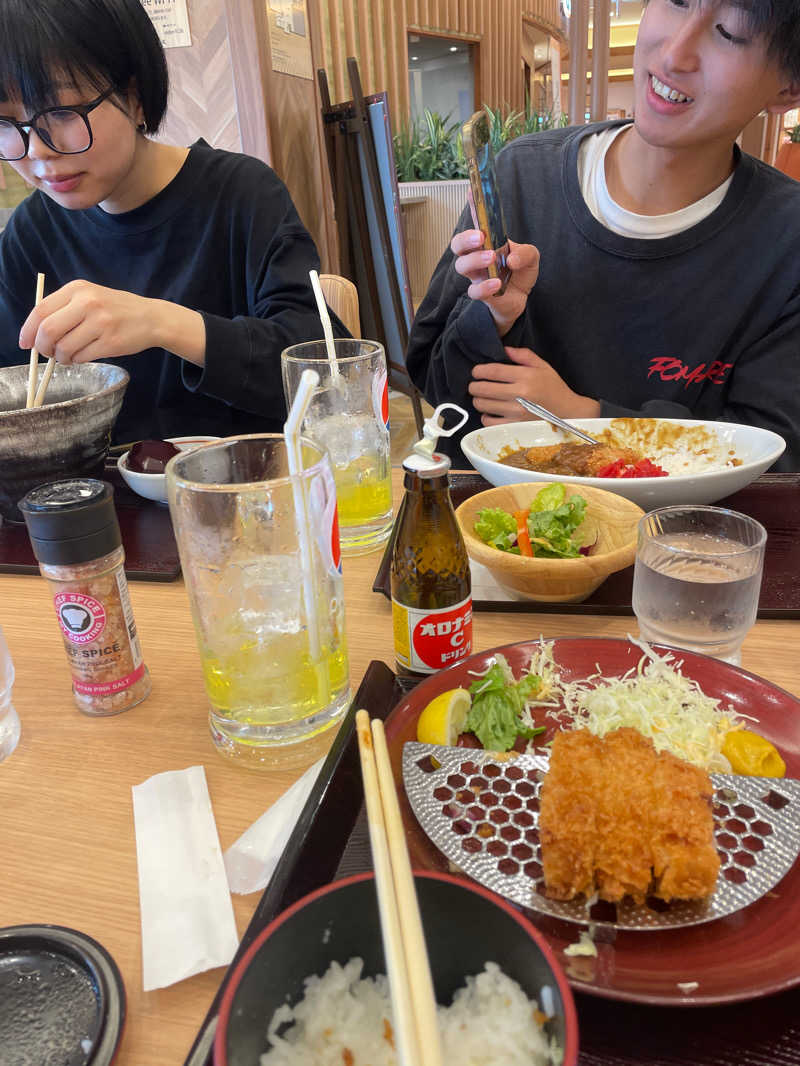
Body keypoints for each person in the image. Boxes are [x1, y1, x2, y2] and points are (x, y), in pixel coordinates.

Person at [406, 0, 800, 470]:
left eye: (729, 33)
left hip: (681, 541)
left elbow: (775, 456)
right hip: (501, 530)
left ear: (789, 86)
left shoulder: (785, 240)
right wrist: (490, 319)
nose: (675, 54)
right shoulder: (522, 177)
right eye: (676, 2)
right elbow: (439, 394)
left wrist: (586, 419)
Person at [0, 0, 347, 443]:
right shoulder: (31, 233)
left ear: (135, 96)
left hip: (251, 490)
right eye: (8, 122)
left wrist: (163, 324)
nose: (35, 151)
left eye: (63, 112)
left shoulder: (241, 194)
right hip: (102, 500)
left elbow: (326, 371)